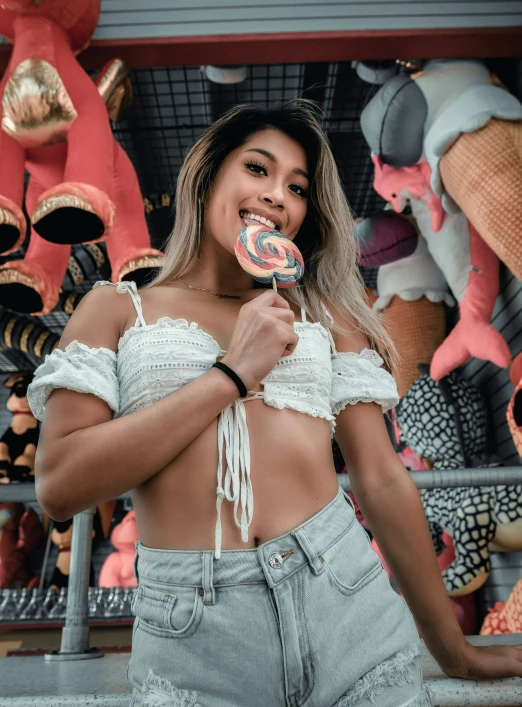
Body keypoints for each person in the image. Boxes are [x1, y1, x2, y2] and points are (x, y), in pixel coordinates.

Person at [27, 101, 522, 707]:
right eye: (257, 169)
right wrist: (232, 373)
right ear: (209, 176)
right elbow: (60, 484)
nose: (276, 196)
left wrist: (453, 647)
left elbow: (380, 476)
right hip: (196, 633)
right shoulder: (115, 309)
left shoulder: (323, 315)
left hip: (346, 597)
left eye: (296, 186)